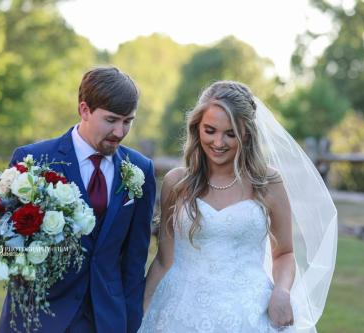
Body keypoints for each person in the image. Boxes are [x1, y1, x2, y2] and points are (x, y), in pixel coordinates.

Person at [139, 81, 337, 333]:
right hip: (180, 310)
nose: (218, 142)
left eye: (230, 133)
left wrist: (281, 291)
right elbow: (164, 260)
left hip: (249, 312)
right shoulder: (176, 183)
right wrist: (140, 312)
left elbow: (284, 253)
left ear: (246, 133)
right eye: (210, 130)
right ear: (196, 127)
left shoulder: (267, 182)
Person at [0, 67, 157, 333]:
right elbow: (7, 242)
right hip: (39, 316)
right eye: (111, 120)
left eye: (128, 121)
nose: (119, 131)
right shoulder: (34, 161)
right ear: (84, 109)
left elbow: (134, 260)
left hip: (105, 318)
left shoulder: (140, 169)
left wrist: (130, 324)